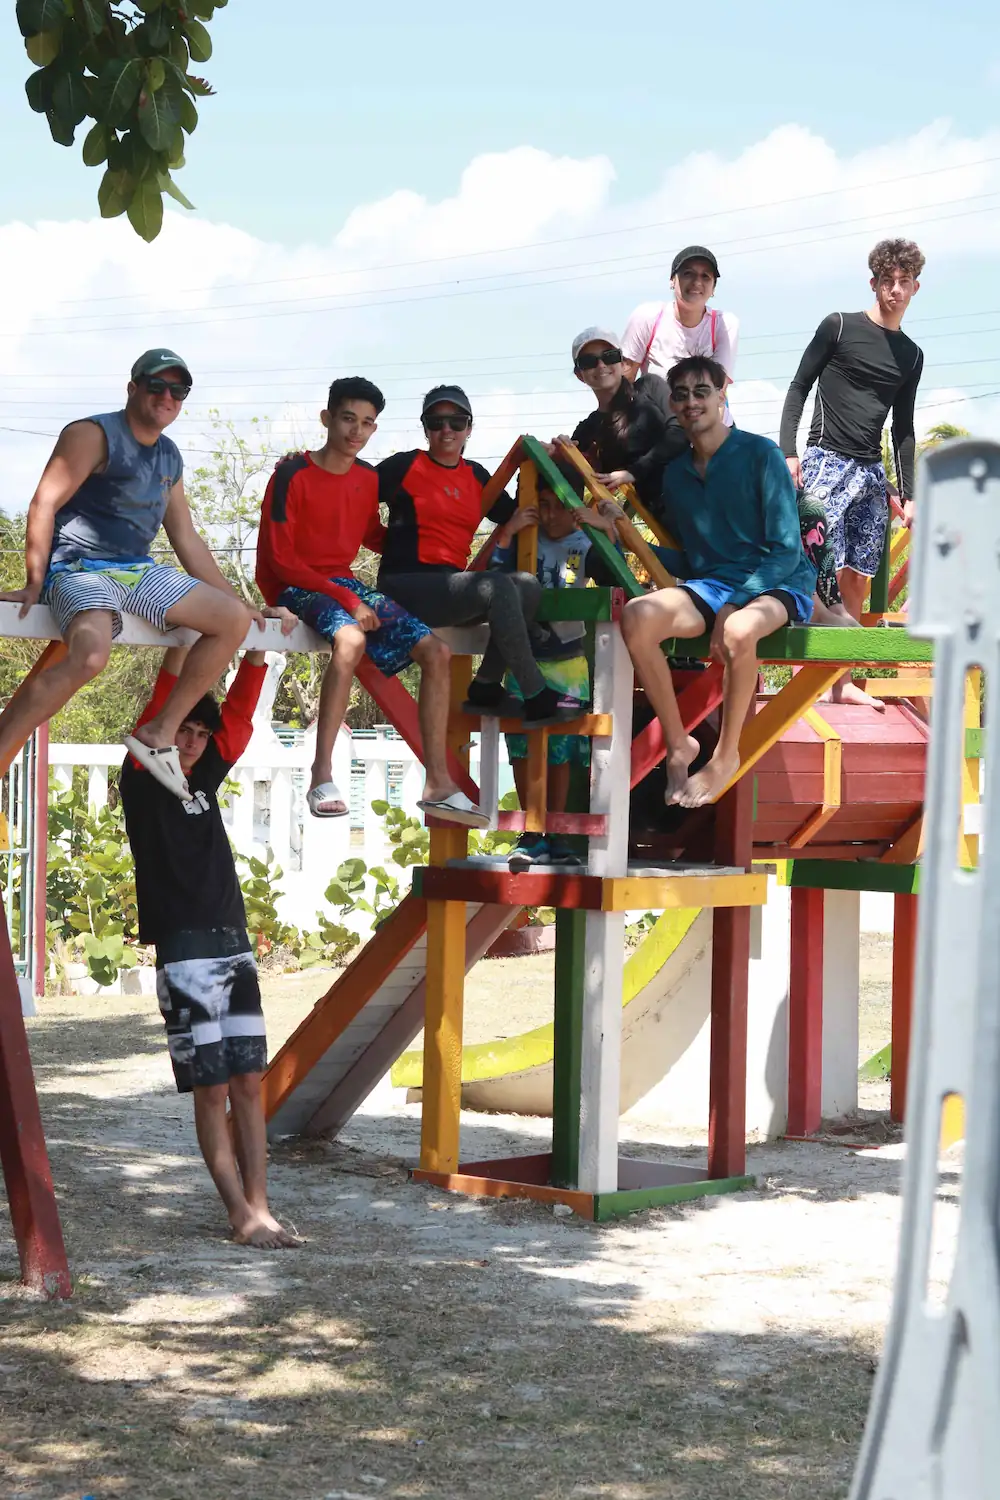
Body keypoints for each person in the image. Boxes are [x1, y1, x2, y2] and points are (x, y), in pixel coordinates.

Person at [0, 350, 257, 801]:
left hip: (137, 570)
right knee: (91, 656)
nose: (167, 397)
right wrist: (35, 581)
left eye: (178, 391)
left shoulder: (170, 456)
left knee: (232, 621)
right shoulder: (91, 434)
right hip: (78, 565)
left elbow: (186, 537)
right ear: (133, 387)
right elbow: (44, 503)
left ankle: (161, 731)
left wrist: (239, 600)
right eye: (157, 386)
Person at [119, 626, 302, 1249]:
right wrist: (188, 634)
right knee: (212, 1088)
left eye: (201, 733)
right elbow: (169, 688)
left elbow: (242, 715)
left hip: (233, 942)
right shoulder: (143, 776)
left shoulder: (205, 778)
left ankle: (261, 1206)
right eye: (185, 730)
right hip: (185, 949)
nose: (194, 742)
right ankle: (236, 1211)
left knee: (250, 1083)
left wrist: (254, 650)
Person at [256, 377, 484, 827]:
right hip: (295, 585)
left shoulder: (366, 477)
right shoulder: (290, 474)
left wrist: (427, 553)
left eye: (367, 423)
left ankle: (437, 783)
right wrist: (345, 597)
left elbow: (371, 535)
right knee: (350, 640)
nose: (356, 431)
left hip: (342, 583)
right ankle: (322, 775)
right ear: (327, 419)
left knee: (436, 651)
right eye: (347, 419)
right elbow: (281, 560)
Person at [619, 357, 817, 809]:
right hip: (714, 584)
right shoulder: (677, 474)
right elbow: (694, 558)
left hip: (778, 580)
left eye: (701, 391)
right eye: (682, 394)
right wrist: (624, 538)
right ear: (672, 402)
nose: (692, 402)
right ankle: (678, 743)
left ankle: (726, 756)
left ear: (721, 395)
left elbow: (786, 549)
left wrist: (736, 603)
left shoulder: (760, 453)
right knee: (637, 616)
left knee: (739, 630)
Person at [376, 385, 581, 729]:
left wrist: (553, 457)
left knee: (526, 585)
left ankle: (486, 685)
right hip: (405, 585)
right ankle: (536, 696)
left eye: (456, 422)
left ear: (469, 428)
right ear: (425, 427)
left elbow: (517, 510)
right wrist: (379, 541)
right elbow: (350, 489)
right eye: (436, 421)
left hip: (452, 588)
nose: (446, 430)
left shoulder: (475, 476)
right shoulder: (404, 465)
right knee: (496, 587)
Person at [779, 237, 925, 694]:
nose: (895, 290)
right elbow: (799, 387)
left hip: (869, 473)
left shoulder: (912, 355)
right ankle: (810, 688)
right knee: (821, 569)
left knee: (858, 574)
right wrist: (789, 451)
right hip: (825, 460)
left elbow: (903, 428)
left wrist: (910, 494)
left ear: (915, 288)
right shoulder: (839, 326)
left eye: (904, 282)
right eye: (887, 281)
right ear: (874, 283)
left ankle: (841, 685)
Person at [488, 463, 621, 870]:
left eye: (558, 506)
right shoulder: (524, 539)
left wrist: (607, 527)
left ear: (576, 507)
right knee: (523, 744)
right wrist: (508, 531)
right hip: (524, 660)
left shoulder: (585, 541)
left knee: (563, 747)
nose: (548, 516)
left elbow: (615, 573)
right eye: (541, 505)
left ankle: (556, 831)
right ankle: (532, 831)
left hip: (567, 659)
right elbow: (491, 580)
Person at [563, 326, 687, 516]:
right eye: (589, 361)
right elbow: (573, 477)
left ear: (623, 363)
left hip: (690, 494)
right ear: (580, 375)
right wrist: (560, 451)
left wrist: (634, 472)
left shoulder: (650, 386)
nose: (601, 365)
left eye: (609, 356)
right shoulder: (587, 430)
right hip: (652, 516)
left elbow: (680, 430)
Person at [621, 246, 739, 416]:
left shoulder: (725, 323)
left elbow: (718, 390)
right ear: (672, 281)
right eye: (688, 273)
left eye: (705, 276)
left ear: (713, 288)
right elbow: (626, 378)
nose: (697, 282)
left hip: (706, 421)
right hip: (658, 423)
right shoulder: (648, 316)